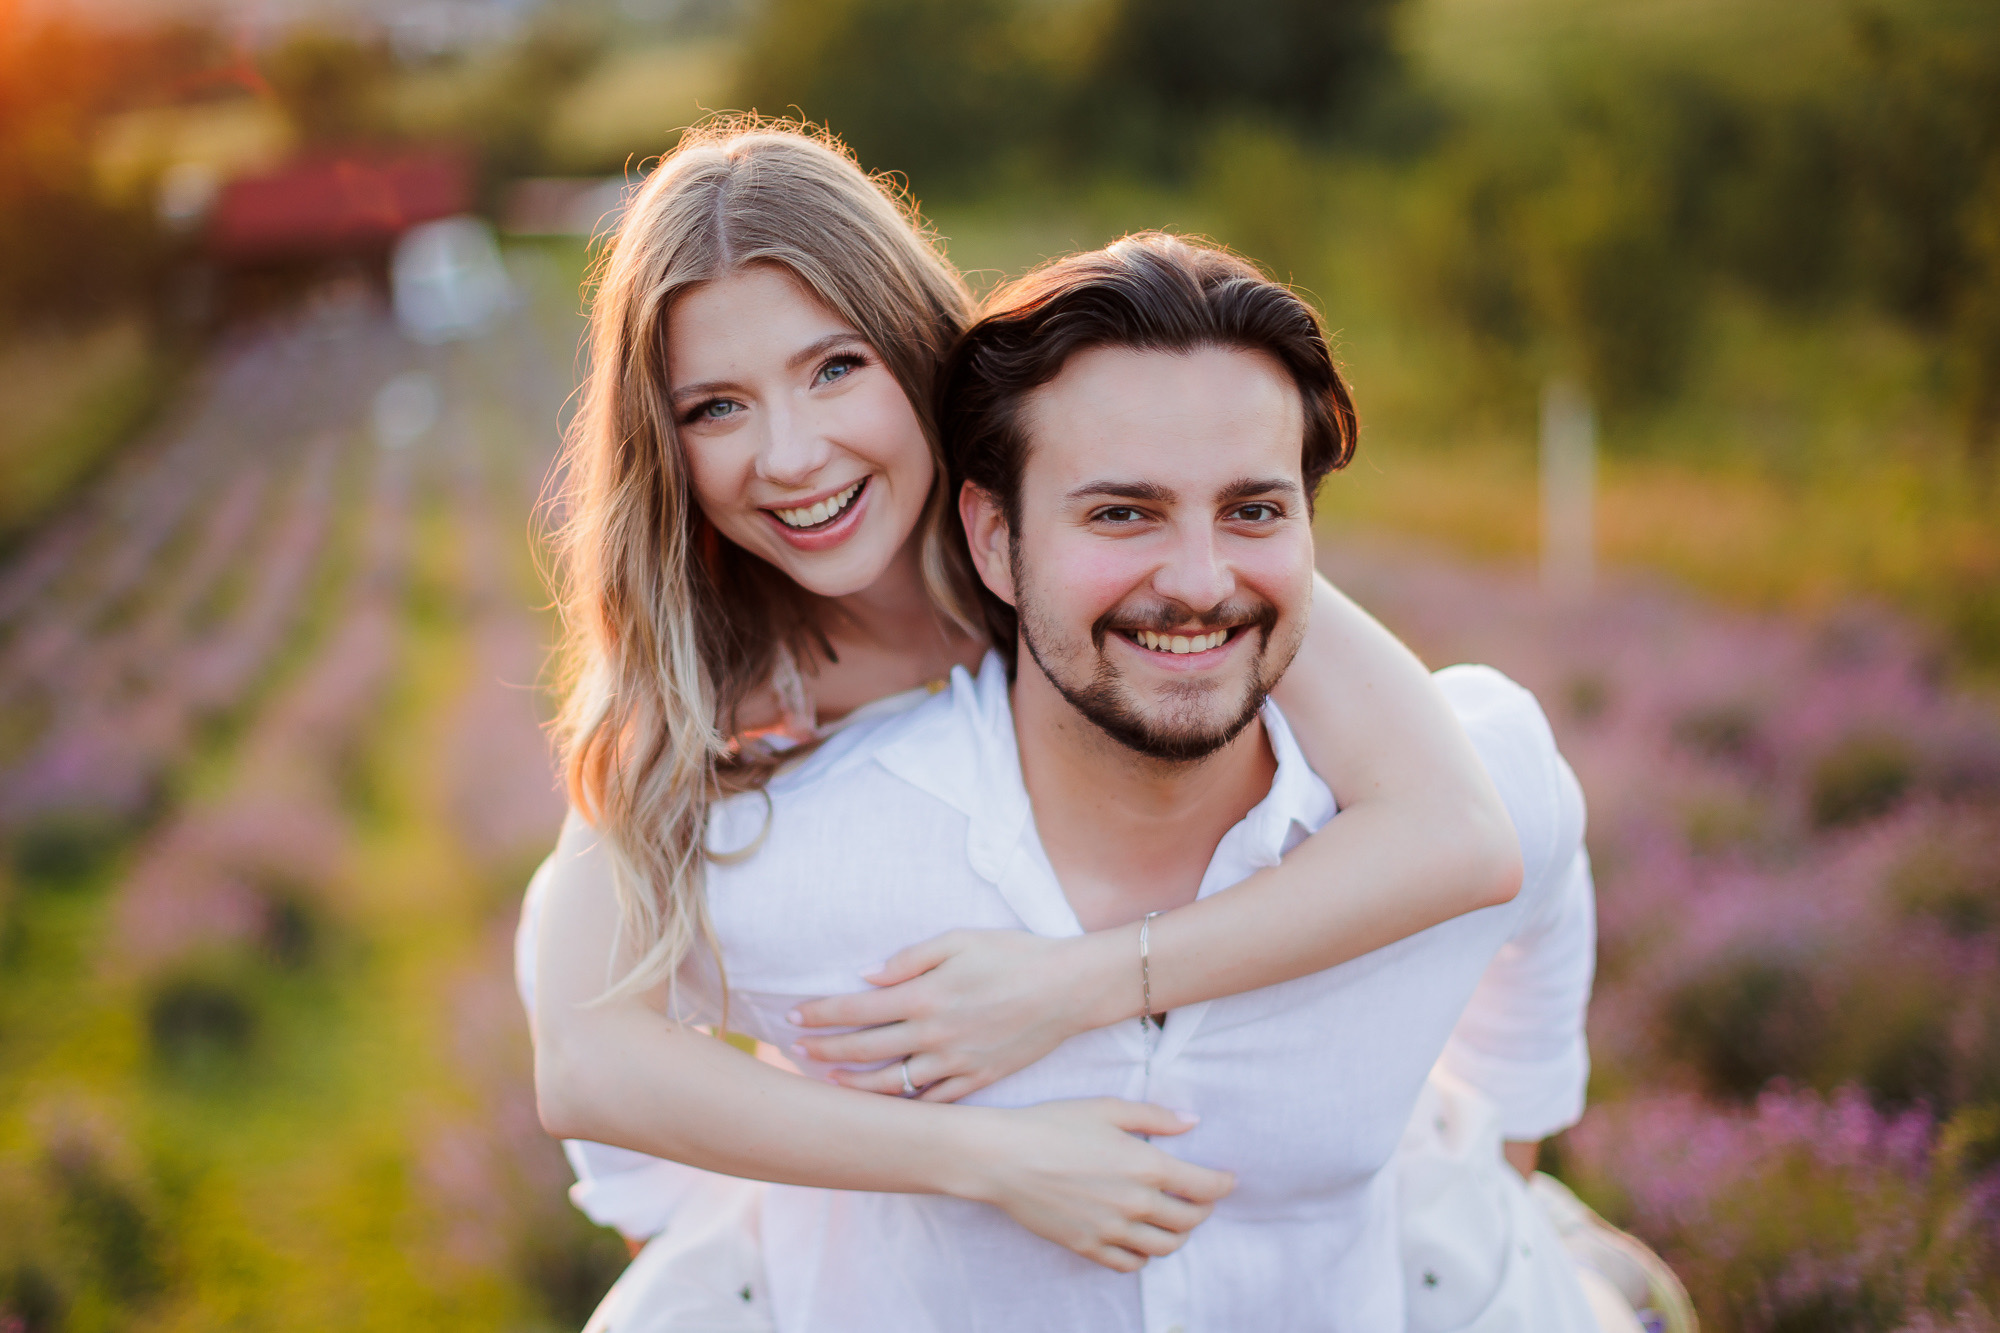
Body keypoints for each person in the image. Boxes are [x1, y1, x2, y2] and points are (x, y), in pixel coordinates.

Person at [521, 121, 1694, 1331]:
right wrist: (984, 1160)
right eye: (714, 406)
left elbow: (1460, 828)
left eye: (834, 369)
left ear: (914, 349)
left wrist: (1072, 988)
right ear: (662, 445)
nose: (790, 452)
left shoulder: (1115, 535)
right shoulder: (710, 683)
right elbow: (588, 1057)